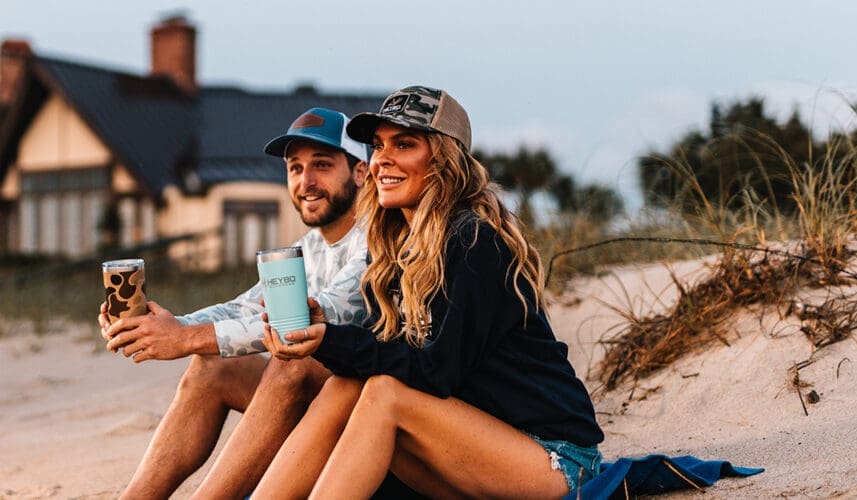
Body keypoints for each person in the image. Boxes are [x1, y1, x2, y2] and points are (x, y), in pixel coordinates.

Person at [253, 86, 605, 499]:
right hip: (468, 446)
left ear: (444, 159)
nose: (382, 159)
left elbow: (437, 372)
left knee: (384, 393)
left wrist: (332, 341)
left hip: (554, 459)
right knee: (345, 385)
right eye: (379, 145)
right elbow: (384, 350)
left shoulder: (475, 241)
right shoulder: (397, 252)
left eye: (404, 144)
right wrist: (320, 334)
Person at [99, 107, 370, 499]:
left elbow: (316, 317)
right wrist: (163, 327)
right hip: (319, 414)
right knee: (214, 368)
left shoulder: (378, 240)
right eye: (295, 168)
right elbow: (243, 309)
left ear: (360, 172)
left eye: (322, 165)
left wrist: (186, 338)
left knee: (294, 360)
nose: (306, 181)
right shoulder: (307, 250)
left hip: (370, 419)